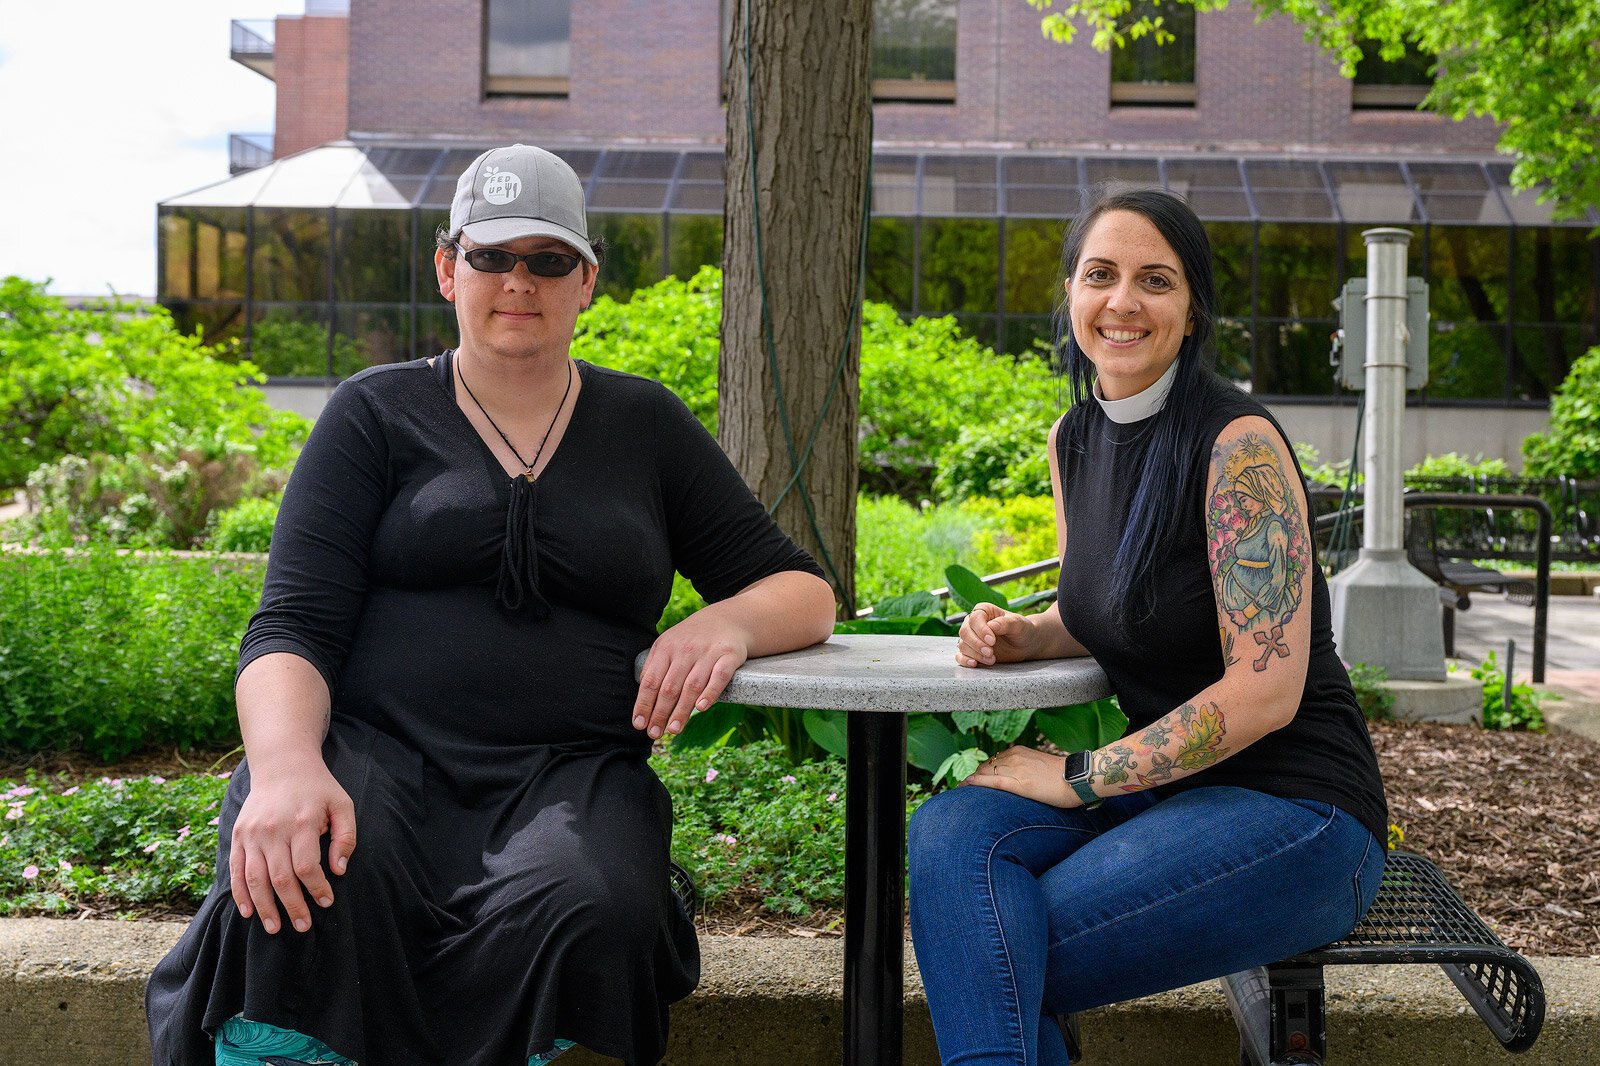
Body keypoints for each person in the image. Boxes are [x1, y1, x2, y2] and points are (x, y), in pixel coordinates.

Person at [146, 143, 836, 1066]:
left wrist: (728, 620)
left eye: (548, 260)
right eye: (491, 256)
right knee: (317, 879)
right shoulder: (372, 414)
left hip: (569, 776)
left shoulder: (647, 425)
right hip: (372, 759)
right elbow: (291, 625)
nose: (520, 281)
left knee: (594, 907)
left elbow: (807, 591)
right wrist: (282, 770)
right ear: (447, 268)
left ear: (586, 281)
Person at [907, 189, 1388, 1066]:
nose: (1123, 302)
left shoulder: (1236, 444)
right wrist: (1031, 632)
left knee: (998, 956)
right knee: (948, 834)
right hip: (1173, 794)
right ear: (1070, 293)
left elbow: (1265, 689)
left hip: (1298, 811)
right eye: (1101, 275)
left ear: (1192, 308)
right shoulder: (1076, 436)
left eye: (1154, 280)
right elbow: (1108, 604)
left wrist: (1082, 775)